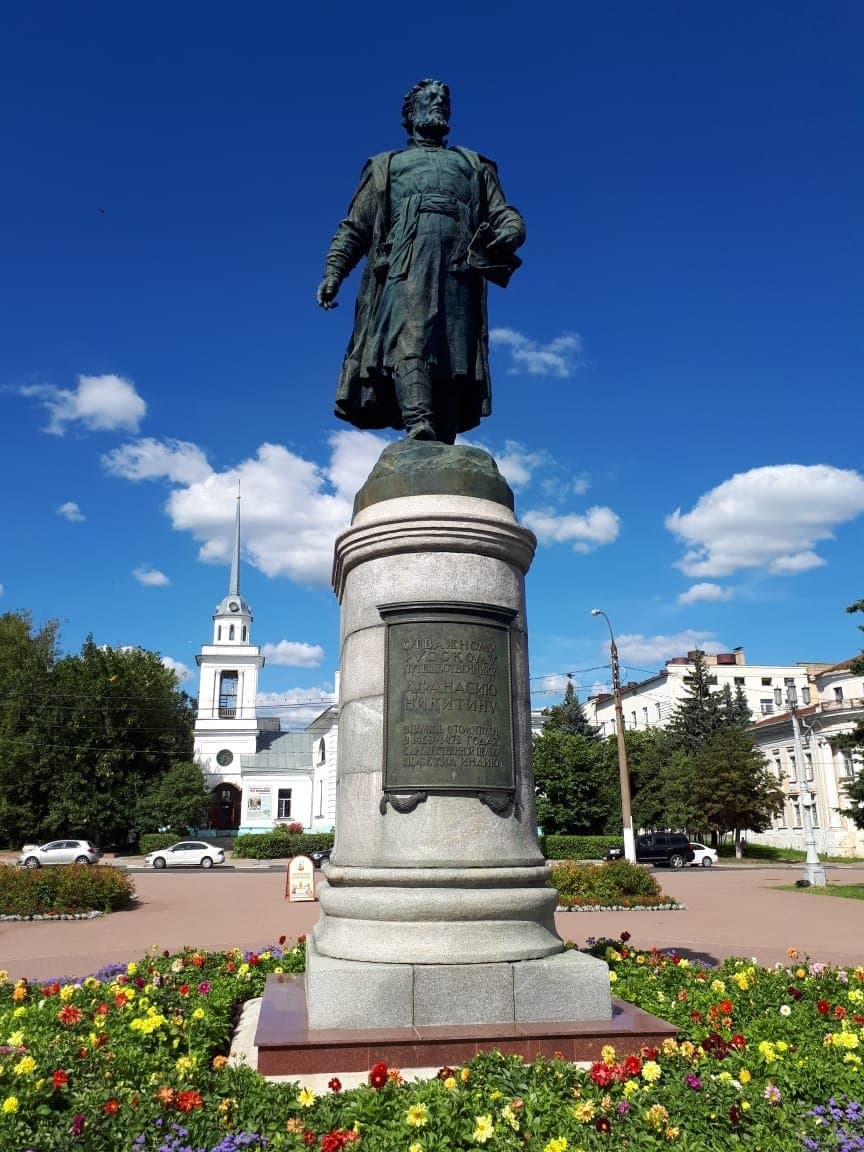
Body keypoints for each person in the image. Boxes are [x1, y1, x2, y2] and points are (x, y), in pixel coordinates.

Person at [317, 80, 525, 444]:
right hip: (406, 263)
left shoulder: (472, 164)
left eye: (445, 100)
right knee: (410, 338)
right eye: (430, 99)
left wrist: (513, 228)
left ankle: (441, 439)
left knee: (453, 350)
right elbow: (355, 227)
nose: (440, 104)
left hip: (459, 268)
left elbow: (501, 210)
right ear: (410, 113)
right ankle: (417, 420)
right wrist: (334, 272)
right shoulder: (388, 166)